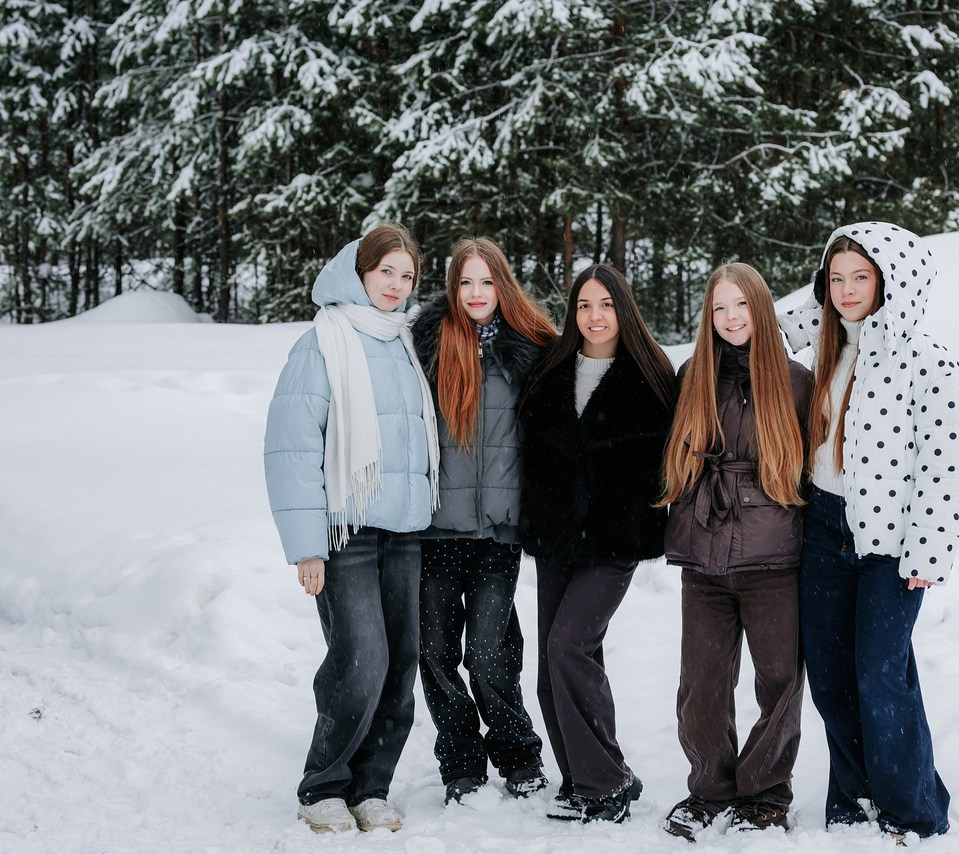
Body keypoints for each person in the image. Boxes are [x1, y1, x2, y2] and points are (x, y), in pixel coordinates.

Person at [778, 222, 959, 843]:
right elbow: (781, 317)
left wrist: (927, 549)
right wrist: (827, 284)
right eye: (835, 278)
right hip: (823, 526)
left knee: (881, 673)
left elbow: (953, 463)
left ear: (892, 280)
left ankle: (911, 810)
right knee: (832, 674)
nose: (845, 290)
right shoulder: (827, 344)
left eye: (860, 277)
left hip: (891, 545)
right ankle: (854, 796)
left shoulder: (926, 358)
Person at [263, 223, 440, 834]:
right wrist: (306, 547)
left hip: (406, 531)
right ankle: (324, 785)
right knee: (360, 659)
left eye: (406, 275)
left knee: (401, 663)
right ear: (359, 271)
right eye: (385, 271)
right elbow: (291, 449)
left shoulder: (403, 343)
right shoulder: (324, 341)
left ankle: (371, 786)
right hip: (347, 533)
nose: (395, 285)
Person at [657, 263, 813, 839]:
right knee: (701, 686)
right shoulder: (692, 374)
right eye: (719, 308)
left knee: (778, 681)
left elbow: (813, 472)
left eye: (740, 306)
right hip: (703, 557)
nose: (729, 319)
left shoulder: (795, 380)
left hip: (774, 560)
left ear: (761, 309)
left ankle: (766, 792)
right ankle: (710, 787)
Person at [519, 264, 676, 824]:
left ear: (624, 309)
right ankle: (582, 776)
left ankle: (605, 782)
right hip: (557, 537)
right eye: (584, 305)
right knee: (552, 665)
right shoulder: (550, 371)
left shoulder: (653, 375)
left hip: (615, 541)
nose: (594, 316)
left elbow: (673, 461)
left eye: (606, 304)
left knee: (569, 646)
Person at [409, 237, 557, 805]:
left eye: (486, 282)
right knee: (436, 651)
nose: (476, 294)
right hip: (436, 529)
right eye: (465, 282)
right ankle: (461, 763)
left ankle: (519, 756)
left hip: (499, 529)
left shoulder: (529, 347)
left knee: (491, 649)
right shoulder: (425, 343)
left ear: (503, 285)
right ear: (453, 287)